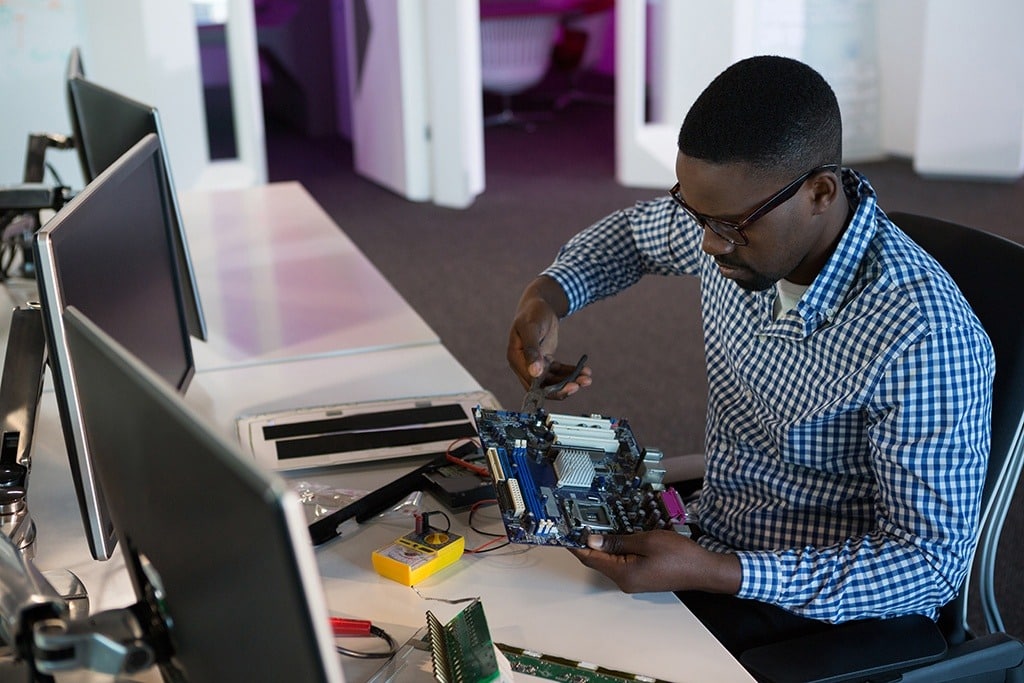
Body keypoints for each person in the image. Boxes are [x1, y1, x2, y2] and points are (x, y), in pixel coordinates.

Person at [505, 55, 995, 657]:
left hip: (813, 612)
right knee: (519, 605)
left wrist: (717, 572)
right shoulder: (742, 217)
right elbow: (633, 236)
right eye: (695, 214)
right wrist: (545, 298)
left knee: (576, 655)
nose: (709, 244)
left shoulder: (921, 336)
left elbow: (928, 565)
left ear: (820, 192)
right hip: (713, 530)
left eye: (730, 227)